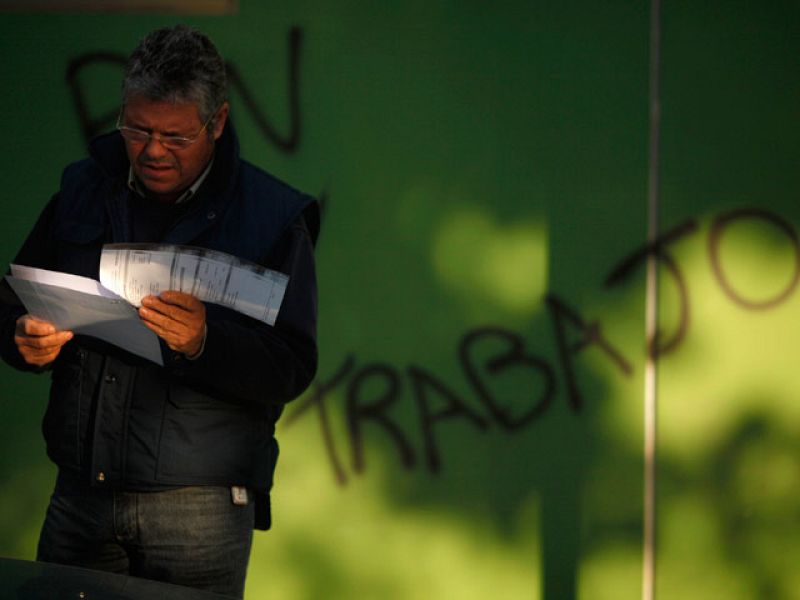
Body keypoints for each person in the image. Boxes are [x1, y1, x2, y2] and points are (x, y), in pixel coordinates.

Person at [0, 24, 319, 598]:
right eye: (137, 129)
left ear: (216, 123)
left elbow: (291, 365)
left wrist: (205, 343)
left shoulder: (273, 218)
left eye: (175, 137)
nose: (151, 151)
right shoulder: (81, 189)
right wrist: (18, 335)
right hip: (79, 494)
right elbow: (9, 299)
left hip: (200, 515)